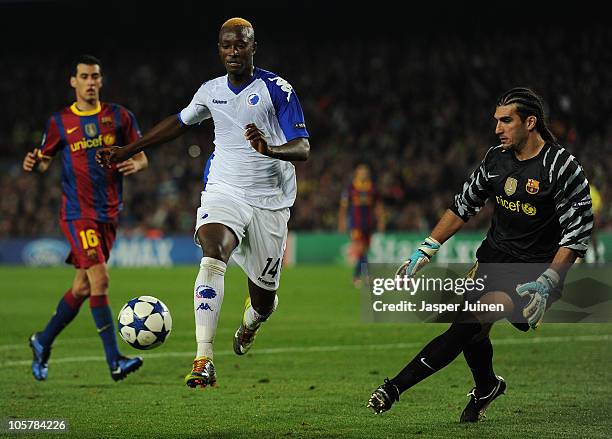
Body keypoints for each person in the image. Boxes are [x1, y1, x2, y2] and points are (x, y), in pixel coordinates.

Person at [96, 17, 310, 389]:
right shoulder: (210, 91)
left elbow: (303, 147)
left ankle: (250, 324)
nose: (233, 52)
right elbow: (179, 122)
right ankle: (204, 359)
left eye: (240, 45)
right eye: (226, 45)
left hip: (270, 203)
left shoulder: (277, 89)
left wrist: (270, 148)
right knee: (213, 252)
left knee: (264, 303)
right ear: (219, 49)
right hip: (224, 190)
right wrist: (128, 149)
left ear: (252, 47)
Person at [367, 88, 593, 421]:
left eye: (506, 121)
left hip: (534, 274)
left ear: (530, 122)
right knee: (471, 328)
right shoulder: (495, 159)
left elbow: (578, 232)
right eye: (496, 121)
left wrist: (550, 280)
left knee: (469, 323)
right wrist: (426, 248)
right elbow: (464, 205)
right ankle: (482, 385)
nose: (498, 129)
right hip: (492, 259)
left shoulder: (561, 167)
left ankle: (398, 387)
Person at [23, 54, 149, 382]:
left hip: (109, 213)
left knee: (81, 286)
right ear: (73, 81)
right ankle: (114, 361)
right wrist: (34, 161)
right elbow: (45, 160)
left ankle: (42, 340)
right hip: (78, 213)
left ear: (101, 80)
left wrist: (136, 165)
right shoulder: (60, 121)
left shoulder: (120, 117)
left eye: (95, 76)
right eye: (84, 76)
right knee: (100, 279)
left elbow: (142, 157)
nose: (90, 82)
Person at [338, 163, 385, 287]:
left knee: (364, 250)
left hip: (368, 224)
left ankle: (358, 276)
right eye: (361, 172)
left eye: (365, 172)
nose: (363, 174)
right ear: (357, 174)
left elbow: (378, 206)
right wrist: (342, 222)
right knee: (361, 250)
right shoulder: (350, 188)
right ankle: (363, 276)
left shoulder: (372, 188)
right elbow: (344, 207)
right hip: (356, 224)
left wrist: (381, 221)